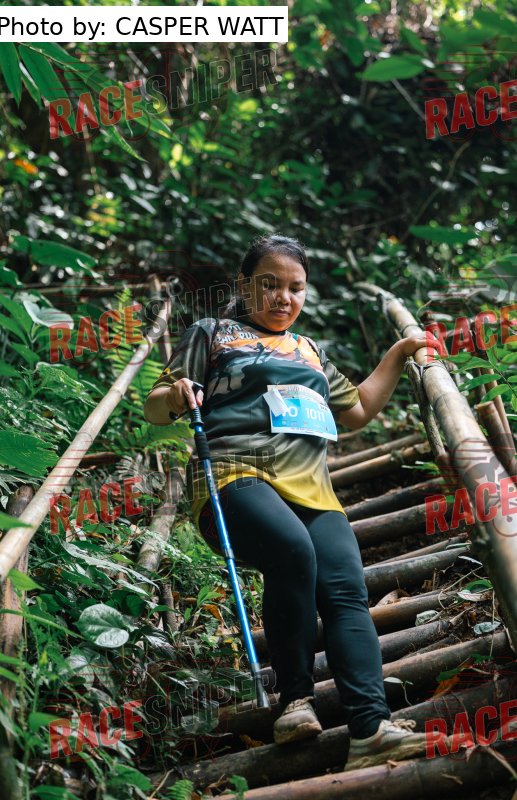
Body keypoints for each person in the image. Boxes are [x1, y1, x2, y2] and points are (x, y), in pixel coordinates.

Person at [144, 234, 444, 771]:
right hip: (234, 475)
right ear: (244, 285)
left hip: (313, 486)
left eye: (296, 288)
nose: (284, 297)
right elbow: (154, 406)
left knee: (346, 590)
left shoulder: (309, 350)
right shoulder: (212, 333)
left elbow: (358, 410)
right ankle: (295, 700)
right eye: (270, 285)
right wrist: (177, 393)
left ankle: (370, 730)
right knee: (293, 551)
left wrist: (401, 352)